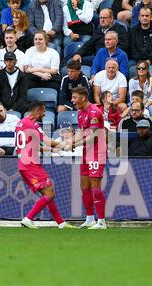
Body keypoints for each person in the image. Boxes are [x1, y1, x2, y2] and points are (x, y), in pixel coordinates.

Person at [17, 101, 76, 229]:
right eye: (43, 111)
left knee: (48, 194)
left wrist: (55, 150)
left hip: (23, 164)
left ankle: (61, 223)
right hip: (31, 164)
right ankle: (28, 219)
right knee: (50, 194)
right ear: (38, 110)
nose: (44, 114)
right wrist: (65, 145)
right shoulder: (33, 124)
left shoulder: (21, 123)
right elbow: (48, 141)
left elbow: (36, 146)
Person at [70, 86, 108, 229]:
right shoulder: (80, 113)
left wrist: (74, 143)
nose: (72, 100)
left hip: (97, 152)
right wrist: (71, 142)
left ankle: (102, 221)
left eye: (74, 97)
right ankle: (90, 218)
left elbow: (93, 136)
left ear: (83, 97)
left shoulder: (94, 112)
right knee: (84, 186)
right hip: (86, 152)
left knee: (95, 186)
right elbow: (81, 133)